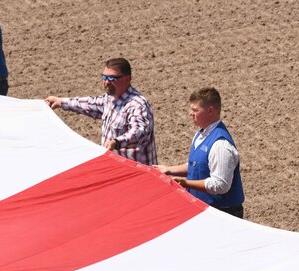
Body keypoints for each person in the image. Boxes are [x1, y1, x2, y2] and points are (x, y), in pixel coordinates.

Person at [44, 58, 157, 165]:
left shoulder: (136, 104)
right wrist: (60, 102)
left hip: (138, 174)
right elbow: (89, 104)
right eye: (104, 77)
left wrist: (116, 142)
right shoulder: (109, 99)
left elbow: (140, 132)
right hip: (116, 169)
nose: (107, 82)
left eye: (112, 78)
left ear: (127, 79)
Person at [155, 88, 244, 218]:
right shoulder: (201, 134)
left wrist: (186, 183)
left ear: (210, 111)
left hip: (222, 214)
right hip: (206, 210)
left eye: (195, 110)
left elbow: (220, 185)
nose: (190, 113)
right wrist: (169, 170)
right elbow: (197, 165)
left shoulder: (220, 146)